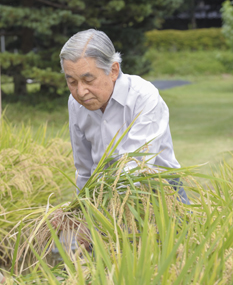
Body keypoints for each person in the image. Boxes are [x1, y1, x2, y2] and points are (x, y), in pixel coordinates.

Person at [59, 29, 189, 204]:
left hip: (159, 191)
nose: (81, 92)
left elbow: (136, 166)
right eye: (72, 82)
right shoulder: (75, 103)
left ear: (113, 70)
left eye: (88, 80)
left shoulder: (143, 96)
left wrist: (107, 205)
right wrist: (81, 207)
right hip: (103, 194)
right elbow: (83, 167)